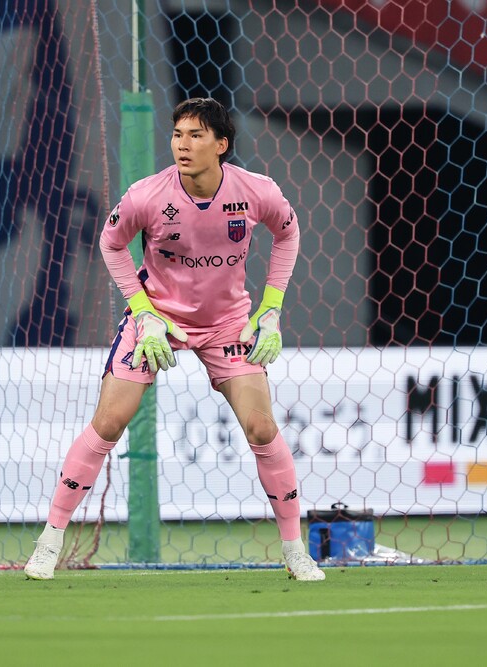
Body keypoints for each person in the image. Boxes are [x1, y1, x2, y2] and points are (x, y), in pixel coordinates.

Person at [24, 97, 325, 582]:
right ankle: (49, 542)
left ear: (221, 145)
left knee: (261, 428)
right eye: (178, 134)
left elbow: (287, 234)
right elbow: (111, 243)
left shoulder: (256, 191)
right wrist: (144, 312)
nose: (182, 145)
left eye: (196, 135)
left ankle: (295, 552)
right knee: (109, 422)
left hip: (227, 324)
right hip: (158, 320)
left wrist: (271, 309)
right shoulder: (147, 195)